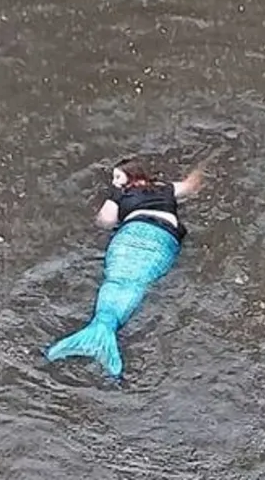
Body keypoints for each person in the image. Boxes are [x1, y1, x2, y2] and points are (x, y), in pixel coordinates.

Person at [43, 158, 204, 377]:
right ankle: (103, 332)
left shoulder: (119, 195)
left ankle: (100, 329)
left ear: (133, 175)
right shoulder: (165, 188)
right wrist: (203, 167)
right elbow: (191, 185)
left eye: (118, 176)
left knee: (117, 278)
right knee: (137, 282)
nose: (115, 182)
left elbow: (105, 222)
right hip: (163, 239)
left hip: (130, 235)